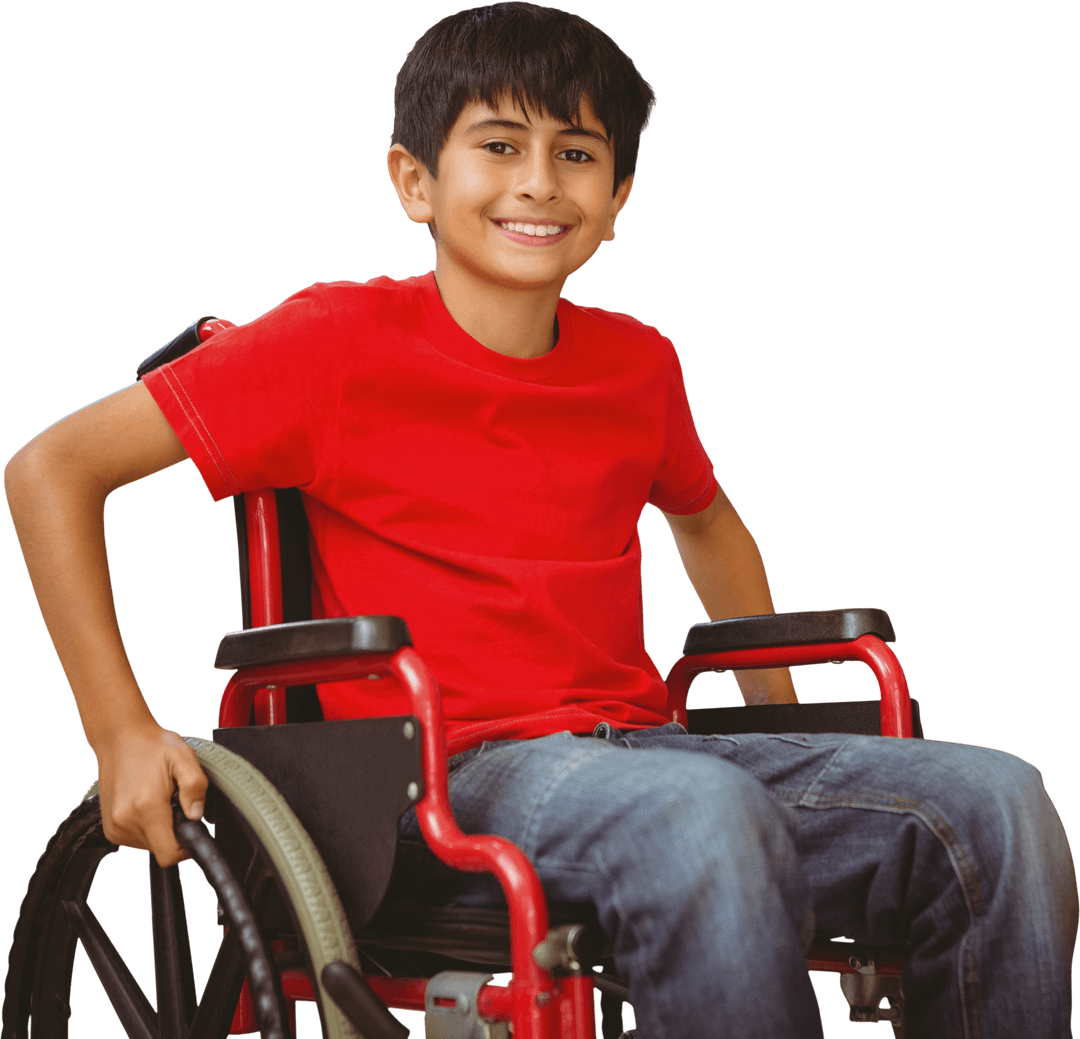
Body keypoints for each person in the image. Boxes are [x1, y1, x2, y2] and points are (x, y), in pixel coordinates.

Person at [4, 3, 1075, 1036]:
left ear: (615, 200)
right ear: (415, 181)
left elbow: (710, 523)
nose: (537, 182)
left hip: (646, 755)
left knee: (996, 803)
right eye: (500, 143)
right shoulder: (328, 342)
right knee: (702, 815)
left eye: (576, 153)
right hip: (448, 779)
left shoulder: (639, 365)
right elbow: (50, 469)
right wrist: (120, 732)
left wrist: (770, 724)